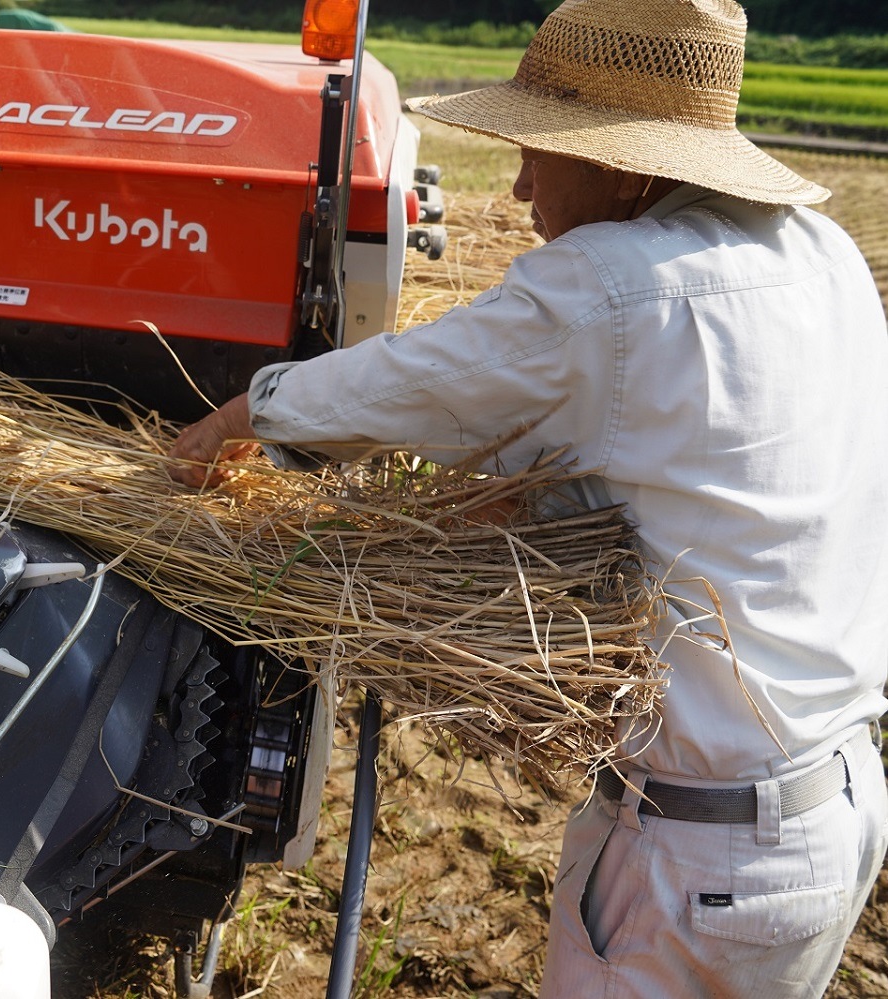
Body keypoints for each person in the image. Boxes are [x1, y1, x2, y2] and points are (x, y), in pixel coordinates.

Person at [166, 0, 888, 995]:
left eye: (540, 153)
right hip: (831, 806)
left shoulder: (615, 286)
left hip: (703, 858)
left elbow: (402, 387)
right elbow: (703, 470)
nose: (517, 185)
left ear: (630, 167)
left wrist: (241, 416)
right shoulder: (823, 255)